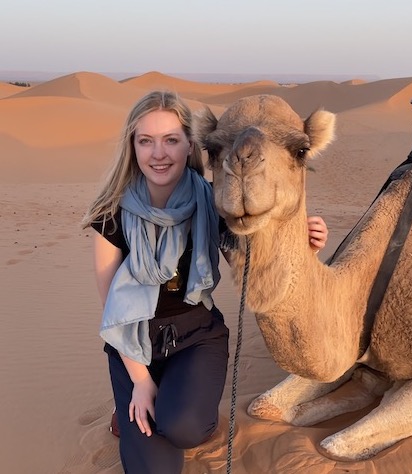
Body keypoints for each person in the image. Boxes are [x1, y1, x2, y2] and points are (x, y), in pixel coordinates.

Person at [82, 90, 328, 474]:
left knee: (183, 428)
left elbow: (255, 256)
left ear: (189, 146)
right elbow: (113, 312)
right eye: (146, 141)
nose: (158, 154)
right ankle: (138, 401)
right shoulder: (109, 216)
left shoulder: (215, 203)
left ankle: (190, 413)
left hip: (195, 338)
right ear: (132, 146)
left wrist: (303, 237)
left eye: (171, 141)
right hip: (133, 345)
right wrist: (140, 381)